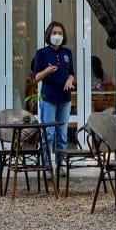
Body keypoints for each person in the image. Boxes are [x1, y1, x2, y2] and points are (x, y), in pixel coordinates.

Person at [30, 21, 75, 168]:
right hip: (48, 98)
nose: (57, 36)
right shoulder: (41, 53)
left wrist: (70, 80)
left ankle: (61, 166)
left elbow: (71, 73)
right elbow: (36, 77)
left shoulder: (67, 53)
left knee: (62, 134)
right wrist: (47, 71)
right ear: (49, 35)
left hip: (65, 98)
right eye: (54, 33)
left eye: (60, 33)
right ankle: (47, 166)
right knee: (48, 133)